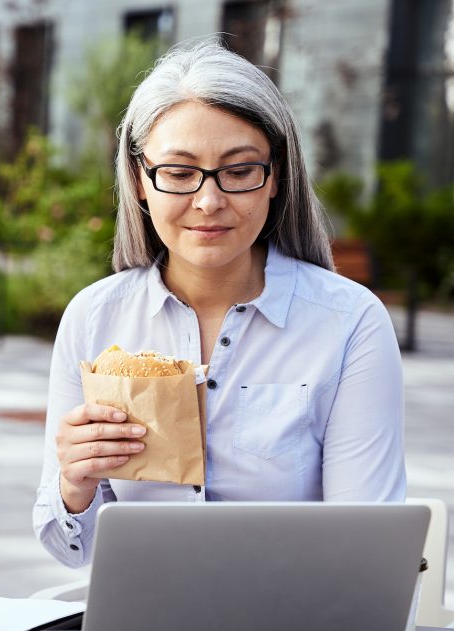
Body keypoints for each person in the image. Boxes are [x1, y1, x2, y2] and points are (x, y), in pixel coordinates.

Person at [33, 39, 405, 568]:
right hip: (142, 629)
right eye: (180, 173)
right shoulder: (95, 318)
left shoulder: (349, 324)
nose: (209, 201)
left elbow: (365, 543)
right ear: (140, 179)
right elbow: (70, 549)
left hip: (294, 630)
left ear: (274, 177)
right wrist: (75, 484)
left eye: (238, 170)